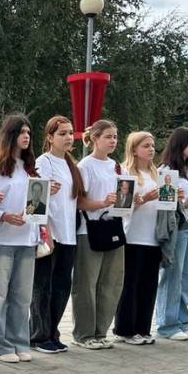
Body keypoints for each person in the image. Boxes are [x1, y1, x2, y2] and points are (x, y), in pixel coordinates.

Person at [0, 115, 39, 362]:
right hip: (2, 240)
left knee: (22, 295)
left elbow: (36, 205)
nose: (26, 136)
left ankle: (19, 342)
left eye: (28, 132)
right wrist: (4, 216)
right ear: (10, 135)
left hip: (27, 239)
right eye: (21, 132)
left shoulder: (31, 169)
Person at [30, 117, 79, 354]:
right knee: (43, 287)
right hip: (52, 233)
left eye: (70, 133)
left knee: (61, 287)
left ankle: (52, 332)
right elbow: (37, 199)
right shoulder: (44, 162)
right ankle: (39, 335)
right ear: (50, 137)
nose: (68, 138)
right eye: (62, 133)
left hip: (68, 234)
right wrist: (46, 231)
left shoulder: (70, 164)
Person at [72, 120, 121, 350]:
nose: (113, 141)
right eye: (108, 136)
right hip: (90, 229)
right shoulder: (85, 166)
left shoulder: (116, 166)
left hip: (114, 227)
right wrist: (102, 203)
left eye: (115, 137)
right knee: (87, 283)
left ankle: (101, 331)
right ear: (94, 139)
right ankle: (84, 333)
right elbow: (78, 201)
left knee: (111, 282)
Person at [114, 132, 161, 345]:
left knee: (149, 285)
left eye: (152, 145)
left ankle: (143, 328)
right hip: (132, 236)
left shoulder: (157, 174)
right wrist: (143, 200)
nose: (151, 149)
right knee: (130, 285)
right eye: (146, 146)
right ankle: (125, 329)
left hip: (154, 237)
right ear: (134, 150)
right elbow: (121, 207)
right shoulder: (126, 173)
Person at [156, 127, 188, 341]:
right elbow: (165, 204)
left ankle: (183, 320)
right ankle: (167, 323)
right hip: (178, 224)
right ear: (179, 143)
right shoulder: (166, 170)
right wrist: (184, 203)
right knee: (173, 273)